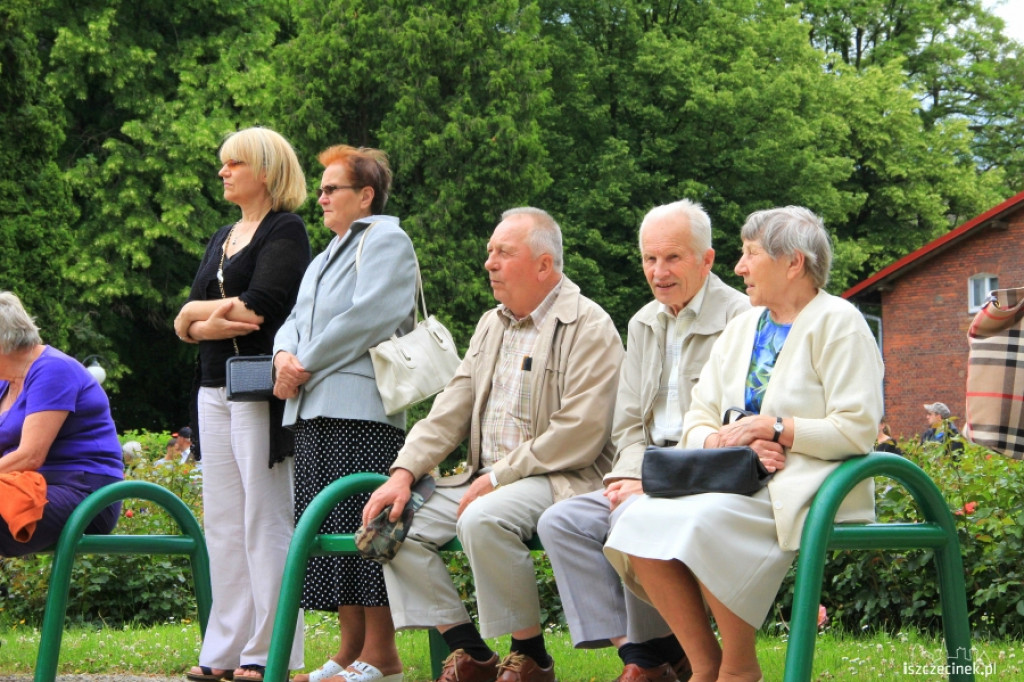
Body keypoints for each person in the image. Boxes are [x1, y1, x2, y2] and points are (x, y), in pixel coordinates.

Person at [604, 206, 884, 682]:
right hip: (737, 476)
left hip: (809, 482)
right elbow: (698, 418)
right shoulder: (743, 326)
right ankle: (704, 663)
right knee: (637, 521)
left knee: (706, 520)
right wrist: (723, 440)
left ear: (793, 262)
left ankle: (738, 668)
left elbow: (857, 428)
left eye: (751, 254)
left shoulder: (839, 321)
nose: (739, 267)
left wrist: (775, 429)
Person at [362, 207, 623, 682]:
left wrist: (499, 477)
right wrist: (402, 474)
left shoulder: (589, 324)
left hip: (558, 476)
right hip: (487, 477)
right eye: (490, 252)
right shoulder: (491, 323)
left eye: (504, 253)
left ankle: (531, 657)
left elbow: (581, 431)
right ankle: (471, 654)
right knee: (390, 525)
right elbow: (450, 409)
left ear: (544, 265)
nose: (490, 263)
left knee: (483, 517)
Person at [536, 200, 748, 682]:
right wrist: (631, 475)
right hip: (648, 473)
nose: (658, 271)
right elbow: (628, 425)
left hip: (703, 476)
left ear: (707, 259)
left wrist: (649, 482)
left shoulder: (741, 318)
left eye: (672, 258)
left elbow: (733, 427)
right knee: (562, 521)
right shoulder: (642, 322)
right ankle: (642, 654)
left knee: (633, 515)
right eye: (650, 259)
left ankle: (695, 661)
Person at [273, 144, 417, 682]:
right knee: (327, 530)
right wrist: (283, 357)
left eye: (333, 188)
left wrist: (301, 362)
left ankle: (383, 654)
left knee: (362, 528)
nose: (322, 196)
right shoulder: (325, 255)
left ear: (366, 195)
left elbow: (371, 316)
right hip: (312, 408)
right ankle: (350, 647)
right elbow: (292, 319)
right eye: (322, 187)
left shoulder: (387, 240)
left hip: (361, 410)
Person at [174, 126, 311, 682]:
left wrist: (191, 318)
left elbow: (259, 310)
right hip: (212, 387)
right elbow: (192, 316)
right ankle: (224, 651)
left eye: (233, 164)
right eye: (222, 164)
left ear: (265, 170)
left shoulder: (287, 229)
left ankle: (269, 650)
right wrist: (196, 319)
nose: (223, 172)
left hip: (258, 388)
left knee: (265, 517)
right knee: (225, 524)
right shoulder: (224, 233)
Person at [0, 291, 124, 556]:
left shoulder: (53, 369)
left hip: (84, 493)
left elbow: (31, 455)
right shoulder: (5, 382)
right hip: (29, 486)